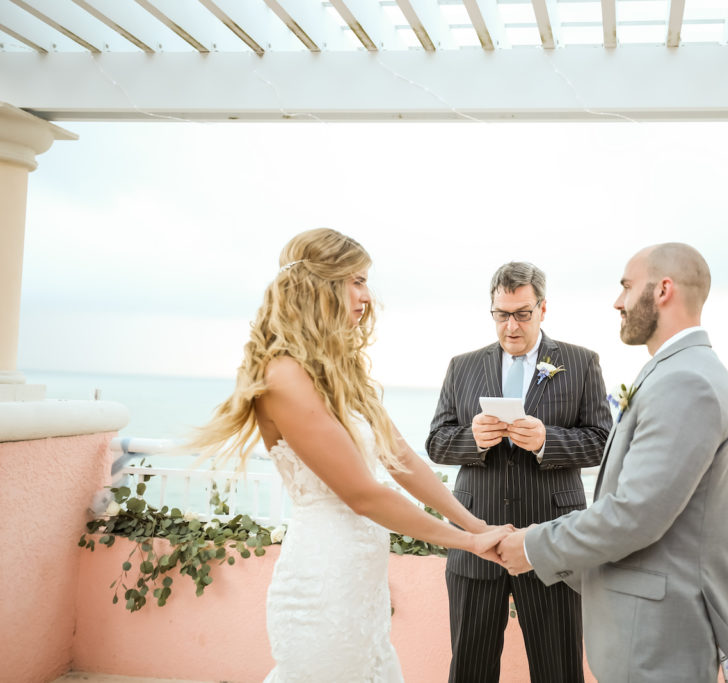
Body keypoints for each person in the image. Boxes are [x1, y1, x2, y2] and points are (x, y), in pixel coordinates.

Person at [190, 228, 510, 682]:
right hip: (323, 586)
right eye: (356, 280)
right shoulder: (282, 375)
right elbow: (363, 495)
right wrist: (468, 544)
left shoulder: (340, 370)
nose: (366, 296)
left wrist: (478, 526)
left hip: (362, 588)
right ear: (319, 285)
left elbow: (401, 459)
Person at [497, 243, 728, 682]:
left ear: (663, 290)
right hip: (647, 633)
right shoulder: (677, 370)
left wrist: (532, 546)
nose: (617, 301)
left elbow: (634, 514)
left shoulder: (685, 381)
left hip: (656, 639)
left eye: (626, 286)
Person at [426, 261, 612, 683]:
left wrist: (548, 440)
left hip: (551, 541)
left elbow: (602, 441)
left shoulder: (581, 362)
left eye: (522, 314)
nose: (511, 326)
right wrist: (472, 438)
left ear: (543, 309)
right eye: (501, 314)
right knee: (470, 669)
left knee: (559, 670)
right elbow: (436, 441)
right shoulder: (462, 366)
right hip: (476, 541)